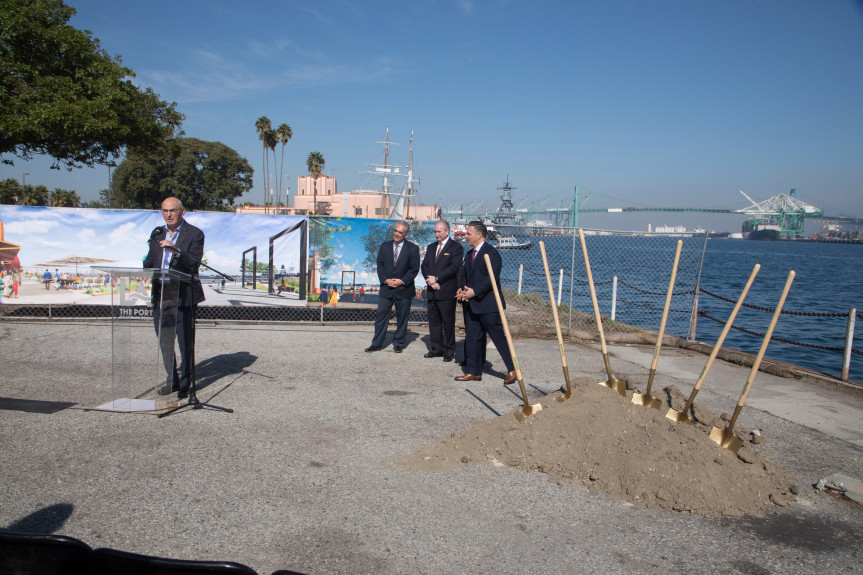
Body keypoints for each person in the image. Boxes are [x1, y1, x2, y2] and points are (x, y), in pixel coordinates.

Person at [143, 197, 205, 399]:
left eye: (172, 211)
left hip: (183, 295)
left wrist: (176, 251)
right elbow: (151, 261)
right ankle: (173, 381)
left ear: (182, 212)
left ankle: (186, 382)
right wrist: (146, 265)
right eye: (164, 211)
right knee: (165, 341)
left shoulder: (195, 234)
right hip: (161, 295)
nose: (168, 215)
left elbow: (193, 263)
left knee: (185, 342)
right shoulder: (157, 234)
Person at [455, 221, 517, 384]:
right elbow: (465, 277)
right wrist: (463, 291)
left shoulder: (492, 253)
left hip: (488, 304)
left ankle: (512, 369)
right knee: (473, 337)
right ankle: (473, 371)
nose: (466, 236)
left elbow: (491, 278)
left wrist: (474, 292)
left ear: (479, 234)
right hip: (471, 305)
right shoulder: (469, 255)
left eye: (468, 233)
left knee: (498, 338)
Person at [365, 221, 420, 353]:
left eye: (400, 232)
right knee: (381, 316)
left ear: (406, 234)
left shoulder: (413, 249)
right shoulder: (384, 246)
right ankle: (377, 343)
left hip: (404, 289)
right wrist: (385, 280)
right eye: (395, 231)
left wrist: (401, 281)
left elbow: (414, 269)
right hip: (387, 288)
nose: (396, 234)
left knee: (402, 317)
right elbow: (380, 265)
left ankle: (399, 344)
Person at [421, 220, 464, 362]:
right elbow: (425, 265)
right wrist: (430, 281)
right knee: (434, 322)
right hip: (432, 291)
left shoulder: (456, 248)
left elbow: (454, 267)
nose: (436, 234)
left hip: (446, 291)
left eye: (439, 232)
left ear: (447, 231)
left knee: (448, 322)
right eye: (435, 232)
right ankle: (436, 349)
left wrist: (437, 279)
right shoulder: (431, 247)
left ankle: (449, 350)